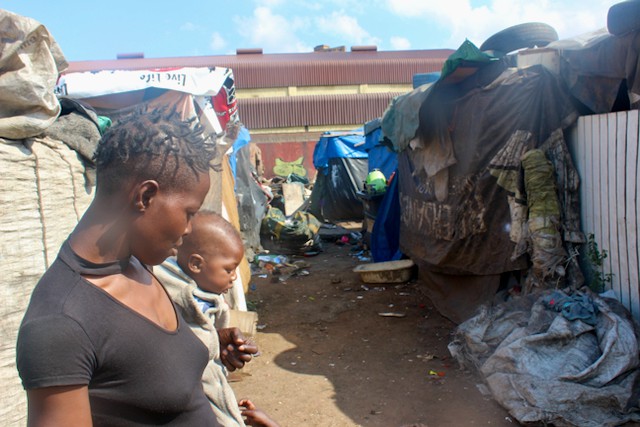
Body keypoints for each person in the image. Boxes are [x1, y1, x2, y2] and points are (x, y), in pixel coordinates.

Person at [16, 107, 254, 426]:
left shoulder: (138, 264)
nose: (188, 230)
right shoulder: (61, 323)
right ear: (145, 196)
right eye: (188, 213)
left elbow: (143, 372)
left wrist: (211, 345)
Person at [155, 211, 279, 427]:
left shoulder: (207, 300)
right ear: (196, 264)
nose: (234, 277)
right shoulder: (166, 296)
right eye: (229, 269)